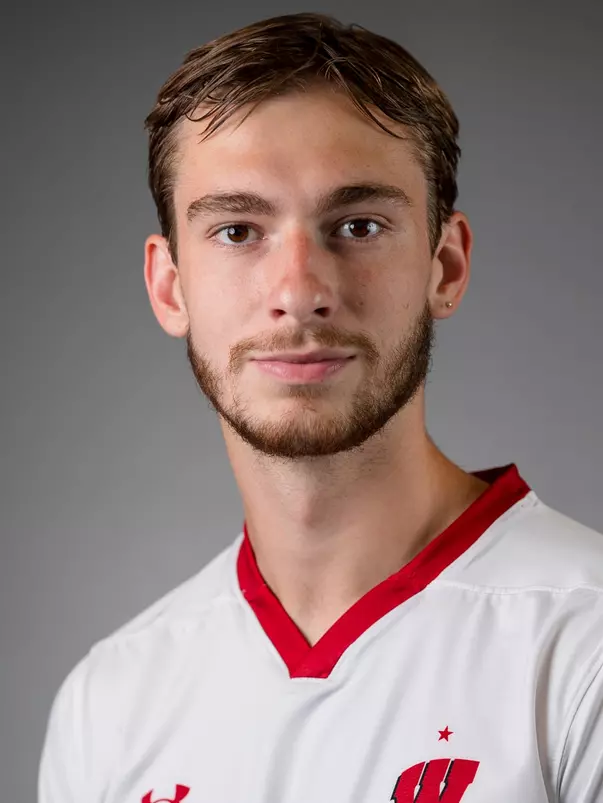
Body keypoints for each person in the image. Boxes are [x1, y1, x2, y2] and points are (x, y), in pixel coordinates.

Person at [38, 12, 603, 803]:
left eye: (358, 225)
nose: (299, 291)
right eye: (237, 230)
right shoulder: (109, 704)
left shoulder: (581, 646)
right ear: (170, 286)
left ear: (444, 264)